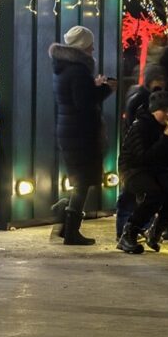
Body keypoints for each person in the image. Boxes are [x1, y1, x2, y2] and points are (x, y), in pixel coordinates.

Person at [51, 25, 117, 246]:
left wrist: (93, 85)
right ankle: (70, 230)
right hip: (80, 133)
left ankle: (64, 221)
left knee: (80, 180)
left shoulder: (65, 67)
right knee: (82, 182)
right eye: (90, 45)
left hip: (70, 131)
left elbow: (77, 95)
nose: (92, 49)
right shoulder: (78, 70)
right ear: (82, 46)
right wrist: (107, 89)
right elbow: (84, 102)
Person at [116, 90, 168, 254]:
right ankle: (129, 232)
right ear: (154, 111)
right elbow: (142, 158)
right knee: (154, 193)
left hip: (153, 170)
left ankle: (156, 231)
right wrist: (165, 138)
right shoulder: (140, 125)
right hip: (132, 170)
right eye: (164, 111)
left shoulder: (166, 127)